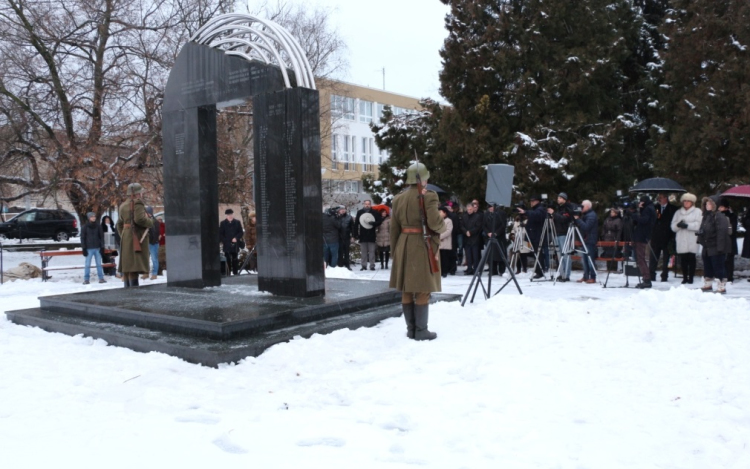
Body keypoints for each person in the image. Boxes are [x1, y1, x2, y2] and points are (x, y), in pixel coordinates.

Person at [390, 162, 446, 341]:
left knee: (407, 288)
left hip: (403, 244)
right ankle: (421, 331)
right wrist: (443, 223)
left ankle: (411, 329)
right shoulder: (429, 196)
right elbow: (435, 223)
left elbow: (394, 229)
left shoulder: (398, 198)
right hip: (422, 244)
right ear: (423, 178)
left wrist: (395, 252)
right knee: (422, 288)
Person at [116, 183, 153, 287]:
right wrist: (150, 222)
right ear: (137, 194)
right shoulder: (138, 203)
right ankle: (134, 293)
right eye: (140, 192)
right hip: (135, 236)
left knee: (128, 267)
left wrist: (124, 235)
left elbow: (119, 224)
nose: (141, 194)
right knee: (134, 267)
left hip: (127, 237)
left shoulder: (123, 205)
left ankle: (128, 291)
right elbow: (139, 219)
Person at [697, 197, 732, 293]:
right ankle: (708, 283)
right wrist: (700, 237)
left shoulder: (719, 216)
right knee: (708, 266)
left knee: (718, 266)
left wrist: (720, 247)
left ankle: (721, 285)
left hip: (716, 246)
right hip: (707, 246)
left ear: (714, 205)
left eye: (709, 204)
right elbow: (703, 228)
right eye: (706, 204)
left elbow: (722, 232)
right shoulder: (706, 216)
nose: (707, 206)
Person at [670, 193, 702, 284]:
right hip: (681, 238)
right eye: (685, 201)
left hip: (692, 238)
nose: (686, 203)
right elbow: (673, 226)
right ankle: (684, 277)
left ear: (692, 202)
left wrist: (688, 225)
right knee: (683, 259)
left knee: (692, 258)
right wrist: (678, 225)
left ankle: (691, 277)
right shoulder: (678, 212)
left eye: (688, 201)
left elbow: (699, 225)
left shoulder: (697, 211)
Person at [516, 195, 546, 279]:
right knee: (536, 253)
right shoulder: (535, 209)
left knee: (538, 253)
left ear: (538, 201)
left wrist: (526, 212)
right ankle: (538, 270)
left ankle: (540, 271)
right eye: (531, 201)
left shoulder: (540, 209)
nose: (531, 203)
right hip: (533, 235)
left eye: (533, 201)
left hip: (537, 235)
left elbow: (536, 215)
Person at [650, 193, 678, 282]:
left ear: (666, 198)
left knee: (666, 258)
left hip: (668, 237)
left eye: (661, 198)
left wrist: (673, 237)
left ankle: (664, 275)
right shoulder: (655, 208)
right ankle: (651, 275)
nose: (659, 199)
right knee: (653, 257)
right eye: (658, 198)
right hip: (656, 236)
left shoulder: (673, 209)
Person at [630, 195, 657, 288]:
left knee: (640, 258)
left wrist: (633, 215)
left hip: (642, 236)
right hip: (643, 235)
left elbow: (644, 220)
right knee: (640, 258)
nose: (639, 203)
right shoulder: (649, 208)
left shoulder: (648, 209)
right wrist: (640, 210)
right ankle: (646, 278)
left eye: (641, 202)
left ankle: (646, 279)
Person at [548, 193, 574, 281]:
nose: (558, 199)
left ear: (564, 199)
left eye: (560, 198)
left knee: (565, 255)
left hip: (564, 233)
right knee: (559, 255)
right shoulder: (559, 208)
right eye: (558, 197)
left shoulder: (567, 208)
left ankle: (566, 275)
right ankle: (562, 273)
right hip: (557, 233)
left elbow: (564, 219)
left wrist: (554, 214)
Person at [573, 200, 598, 284]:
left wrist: (578, 219)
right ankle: (586, 276)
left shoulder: (591, 215)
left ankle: (592, 277)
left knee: (590, 259)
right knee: (585, 260)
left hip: (590, 240)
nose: (581, 208)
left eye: (582, 206)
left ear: (587, 207)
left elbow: (586, 227)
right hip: (585, 240)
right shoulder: (586, 215)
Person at [353, 200, 382, 271]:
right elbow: (356, 224)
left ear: (370, 204)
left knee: (372, 251)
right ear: (363, 204)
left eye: (368, 204)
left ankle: (372, 265)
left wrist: (374, 223)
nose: (367, 205)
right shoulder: (360, 212)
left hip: (371, 234)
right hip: (362, 235)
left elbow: (379, 221)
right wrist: (355, 234)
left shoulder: (374, 212)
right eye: (366, 204)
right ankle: (363, 265)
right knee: (363, 252)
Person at [81, 212, 106, 285]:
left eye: (94, 216)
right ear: (89, 218)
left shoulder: (98, 226)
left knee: (99, 264)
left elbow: (101, 237)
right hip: (89, 248)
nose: (93, 218)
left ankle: (101, 278)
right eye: (92, 217)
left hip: (97, 248)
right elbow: (82, 238)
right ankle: (86, 279)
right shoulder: (85, 227)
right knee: (87, 264)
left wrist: (102, 247)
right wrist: (84, 248)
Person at [483, 205, 508, 276]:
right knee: (491, 255)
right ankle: (493, 270)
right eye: (489, 207)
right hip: (489, 236)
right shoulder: (486, 214)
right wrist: (488, 232)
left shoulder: (501, 213)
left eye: (491, 207)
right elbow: (484, 225)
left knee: (500, 254)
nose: (490, 208)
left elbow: (503, 225)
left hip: (499, 237)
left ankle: (501, 270)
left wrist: (496, 233)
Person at [460, 203, 483, 275]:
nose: (469, 211)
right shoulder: (464, 216)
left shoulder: (477, 216)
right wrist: (466, 232)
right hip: (466, 238)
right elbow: (461, 226)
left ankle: (476, 269)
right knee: (468, 255)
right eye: (468, 209)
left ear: (473, 209)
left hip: (475, 238)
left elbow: (478, 227)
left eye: (470, 209)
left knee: (475, 255)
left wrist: (470, 232)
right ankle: (469, 269)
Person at [718, 199, 738, 283]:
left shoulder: (732, 216)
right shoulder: (717, 215)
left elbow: (732, 229)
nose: (719, 208)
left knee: (729, 259)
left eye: (721, 207)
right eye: (719, 207)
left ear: (726, 208)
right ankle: (722, 275)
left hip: (729, 240)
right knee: (721, 259)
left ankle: (729, 276)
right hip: (720, 240)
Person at [219, 208, 244, 276]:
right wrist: (225, 240)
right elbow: (220, 234)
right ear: (226, 215)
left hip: (235, 244)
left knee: (235, 258)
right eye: (228, 215)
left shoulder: (237, 222)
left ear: (233, 214)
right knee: (227, 258)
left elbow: (241, 232)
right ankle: (228, 272)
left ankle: (235, 272)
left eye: (231, 214)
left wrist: (236, 238)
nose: (230, 216)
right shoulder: (223, 223)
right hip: (227, 244)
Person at [601, 207, 623, 272]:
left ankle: (613, 268)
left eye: (613, 212)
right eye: (611, 212)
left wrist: (617, 238)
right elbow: (604, 228)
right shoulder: (607, 219)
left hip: (614, 238)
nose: (611, 213)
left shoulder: (618, 220)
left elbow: (619, 230)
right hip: (607, 238)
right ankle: (608, 268)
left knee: (614, 253)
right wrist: (603, 235)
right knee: (607, 253)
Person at [142, 206, 160, 280]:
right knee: (146, 259)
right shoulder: (146, 221)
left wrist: (153, 241)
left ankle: (154, 274)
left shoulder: (155, 222)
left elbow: (156, 233)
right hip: (147, 243)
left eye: (145, 212)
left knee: (154, 259)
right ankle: (146, 273)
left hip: (153, 243)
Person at [444, 202, 460, 275]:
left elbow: (456, 227)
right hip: (449, 237)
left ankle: (452, 269)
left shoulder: (453, 216)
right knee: (449, 254)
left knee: (451, 254)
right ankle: (450, 269)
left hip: (452, 237)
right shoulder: (452, 216)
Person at [438, 206, 453, 278]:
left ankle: (445, 271)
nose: (439, 213)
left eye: (440, 212)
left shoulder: (448, 221)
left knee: (445, 258)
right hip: (438, 242)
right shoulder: (438, 220)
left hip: (445, 242)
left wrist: (440, 236)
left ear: (445, 213)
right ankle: (440, 271)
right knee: (439, 258)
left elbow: (448, 231)